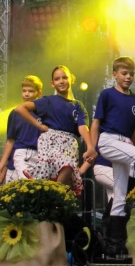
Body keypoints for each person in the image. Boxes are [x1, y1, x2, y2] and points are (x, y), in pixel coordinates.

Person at [90, 56, 135, 246]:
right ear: (114, 74)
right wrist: (91, 147)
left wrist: (129, 144)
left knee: (119, 194)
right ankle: (134, 196)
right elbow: (96, 123)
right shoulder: (107, 94)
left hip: (125, 142)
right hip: (108, 140)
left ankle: (115, 240)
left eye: (131, 74)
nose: (128, 77)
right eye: (124, 73)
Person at [16, 66, 95, 195]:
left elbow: (82, 126)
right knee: (64, 166)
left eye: (64, 77)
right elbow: (20, 108)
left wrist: (90, 146)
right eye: (57, 79)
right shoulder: (48, 101)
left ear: (72, 79)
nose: (61, 81)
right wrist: (39, 126)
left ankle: (55, 196)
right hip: (50, 141)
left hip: (69, 144)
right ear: (52, 83)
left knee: (66, 170)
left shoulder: (77, 105)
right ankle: (54, 195)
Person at [0, 75, 43, 183]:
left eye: (30, 91)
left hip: (38, 157)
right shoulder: (15, 113)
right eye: (24, 91)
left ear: (39, 93)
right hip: (18, 157)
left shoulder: (44, 113)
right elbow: (11, 141)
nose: (26, 94)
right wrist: (2, 165)